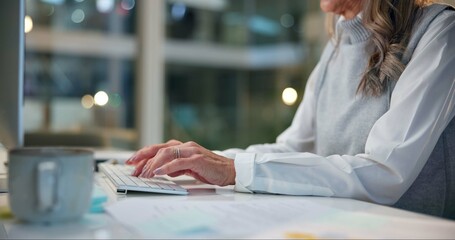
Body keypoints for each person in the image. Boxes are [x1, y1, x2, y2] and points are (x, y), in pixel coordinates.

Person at [127, 0, 455, 219]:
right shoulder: (335, 49)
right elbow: (292, 147)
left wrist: (231, 168)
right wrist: (202, 160)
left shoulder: (439, 32)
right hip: (343, 228)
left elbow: (385, 174)